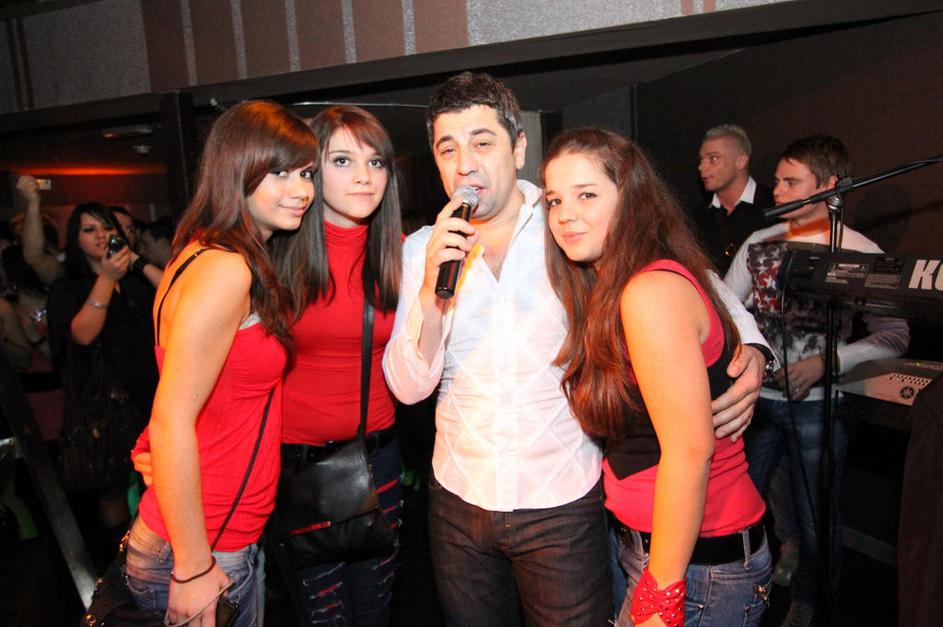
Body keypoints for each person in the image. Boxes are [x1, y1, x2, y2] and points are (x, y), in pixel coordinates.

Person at [382, 71, 773, 626]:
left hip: (563, 497)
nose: (465, 164)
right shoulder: (423, 248)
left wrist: (753, 349)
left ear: (518, 148)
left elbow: (694, 280)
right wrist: (431, 295)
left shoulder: (566, 222)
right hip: (459, 496)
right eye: (449, 149)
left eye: (482, 142)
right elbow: (408, 387)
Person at [543, 127, 771, 627]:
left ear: (632, 200)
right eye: (555, 199)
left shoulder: (648, 291)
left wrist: (661, 595)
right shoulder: (617, 283)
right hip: (667, 555)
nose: (564, 214)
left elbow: (690, 452)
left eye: (586, 195)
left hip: (695, 569)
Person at [124, 100, 317, 627]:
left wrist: (149, 449)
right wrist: (193, 568)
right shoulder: (226, 269)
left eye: (306, 173)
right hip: (203, 545)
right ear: (237, 169)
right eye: (279, 173)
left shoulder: (197, 252)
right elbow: (173, 418)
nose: (301, 190)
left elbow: (183, 387)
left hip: (208, 532)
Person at [724, 135, 909, 626]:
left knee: (817, 515)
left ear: (828, 186)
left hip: (819, 406)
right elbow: (727, 314)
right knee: (737, 502)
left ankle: (810, 600)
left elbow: (895, 334)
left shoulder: (859, 251)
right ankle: (741, 590)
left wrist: (826, 362)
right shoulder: (759, 243)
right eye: (777, 181)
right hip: (756, 402)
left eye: (792, 182)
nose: (778, 191)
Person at [272, 104, 404, 625]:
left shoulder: (402, 254)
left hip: (378, 459)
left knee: (375, 612)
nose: (364, 177)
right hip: (299, 468)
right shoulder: (275, 257)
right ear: (311, 170)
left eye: (376, 162)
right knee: (323, 617)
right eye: (343, 160)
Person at [46, 202, 160, 563]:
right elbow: (83, 335)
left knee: (159, 481)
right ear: (75, 239)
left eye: (107, 228)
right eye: (89, 230)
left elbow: (175, 293)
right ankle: (121, 564)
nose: (101, 236)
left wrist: (136, 262)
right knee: (112, 485)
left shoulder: (136, 282)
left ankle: (158, 558)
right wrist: (107, 278)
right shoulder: (68, 288)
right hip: (105, 404)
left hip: (150, 394)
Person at [693, 124, 774, 274]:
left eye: (713, 158)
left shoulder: (775, 207)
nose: (701, 167)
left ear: (741, 161)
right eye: (701, 160)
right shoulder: (696, 219)